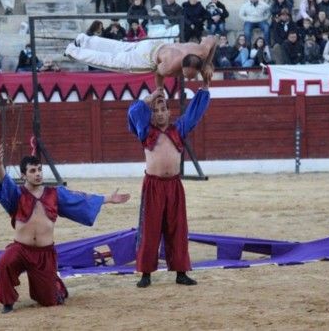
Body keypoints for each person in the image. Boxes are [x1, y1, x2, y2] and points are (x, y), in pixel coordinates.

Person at [0, 145, 130, 313]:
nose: (37, 174)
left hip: (44, 255)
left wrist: (108, 198)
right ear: (23, 175)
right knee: (4, 262)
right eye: (32, 171)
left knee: (50, 301)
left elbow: (79, 200)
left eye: (39, 170)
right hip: (20, 249)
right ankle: (7, 303)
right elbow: (5, 185)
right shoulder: (17, 194)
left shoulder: (54, 194)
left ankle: (55, 286)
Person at [127, 82, 210, 288]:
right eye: (155, 110)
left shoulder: (178, 130)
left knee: (177, 228)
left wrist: (205, 87)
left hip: (174, 185)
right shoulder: (145, 131)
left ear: (169, 111)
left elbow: (194, 113)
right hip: (153, 186)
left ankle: (181, 272)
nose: (160, 114)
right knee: (150, 229)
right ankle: (145, 274)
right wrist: (151, 96)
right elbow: (134, 111)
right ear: (151, 115)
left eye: (163, 109)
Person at [65, 34, 217, 88]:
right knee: (111, 61)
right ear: (182, 66)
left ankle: (84, 40)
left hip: (154, 45)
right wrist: (159, 91)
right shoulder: (170, 67)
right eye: (186, 75)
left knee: (119, 47)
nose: (187, 78)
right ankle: (73, 50)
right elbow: (158, 72)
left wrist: (209, 63)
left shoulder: (202, 50)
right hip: (146, 59)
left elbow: (213, 39)